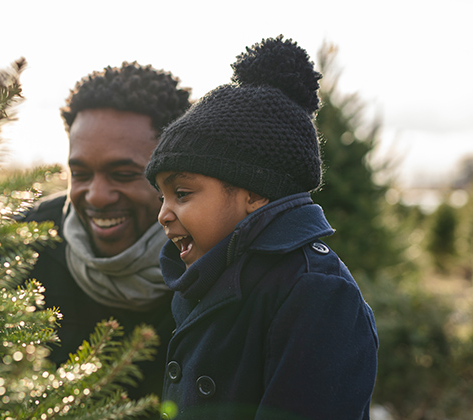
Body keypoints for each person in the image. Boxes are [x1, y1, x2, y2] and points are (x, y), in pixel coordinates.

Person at [144, 36, 378, 419]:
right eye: (161, 197)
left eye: (182, 193)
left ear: (254, 192)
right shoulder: (208, 275)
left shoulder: (315, 293)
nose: (163, 214)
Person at [19, 62, 191, 399]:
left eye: (124, 174)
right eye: (80, 174)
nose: (96, 195)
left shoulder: (214, 258)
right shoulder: (26, 247)